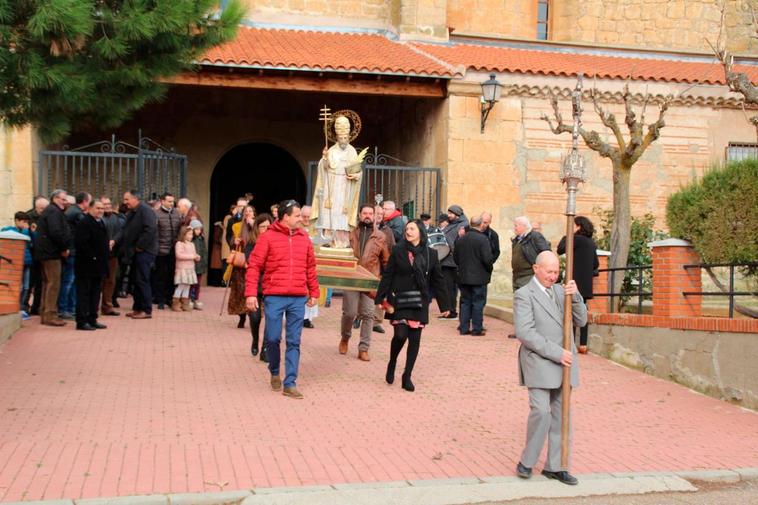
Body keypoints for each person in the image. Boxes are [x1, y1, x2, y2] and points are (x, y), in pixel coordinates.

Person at [514, 251, 586, 486]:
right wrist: (556, 352)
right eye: (549, 272)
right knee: (541, 412)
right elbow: (525, 333)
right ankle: (527, 461)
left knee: (562, 416)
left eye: (557, 272)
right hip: (540, 362)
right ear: (536, 269)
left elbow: (581, 320)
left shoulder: (561, 291)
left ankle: (556, 466)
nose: (554, 276)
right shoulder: (524, 294)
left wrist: (575, 297)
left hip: (565, 363)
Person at [245, 200, 319, 400]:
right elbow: (254, 266)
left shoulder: (304, 239)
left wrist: (314, 292)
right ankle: (275, 370)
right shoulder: (267, 237)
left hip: (297, 297)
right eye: (297, 216)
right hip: (274, 296)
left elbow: (310, 268)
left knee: (294, 341)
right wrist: (251, 293)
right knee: (272, 338)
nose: (301, 219)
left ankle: (290, 383)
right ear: (286, 217)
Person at [375, 220, 451, 392]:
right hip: (399, 299)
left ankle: (407, 375)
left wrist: (445, 305)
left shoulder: (431, 254)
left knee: (415, 340)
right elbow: (388, 275)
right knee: (401, 335)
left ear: (420, 232)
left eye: (412, 228)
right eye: (407, 228)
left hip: (420, 301)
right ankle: (392, 361)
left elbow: (438, 280)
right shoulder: (398, 251)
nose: (408, 231)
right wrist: (380, 297)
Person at [339, 204, 390, 361]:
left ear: (374, 216)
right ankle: (345, 337)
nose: (367, 216)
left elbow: (386, 259)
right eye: (365, 213)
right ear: (359, 215)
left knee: (368, 314)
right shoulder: (350, 233)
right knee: (350, 313)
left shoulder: (380, 236)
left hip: (370, 279)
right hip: (351, 278)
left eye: (370, 213)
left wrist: (385, 280)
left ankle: (364, 348)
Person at [311, 114, 364, 248]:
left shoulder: (352, 151)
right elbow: (323, 168)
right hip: (332, 186)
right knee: (329, 214)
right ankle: (328, 240)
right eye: (340, 137)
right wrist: (325, 158)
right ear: (336, 136)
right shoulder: (331, 150)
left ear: (349, 136)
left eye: (345, 137)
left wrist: (356, 176)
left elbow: (357, 170)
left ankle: (341, 242)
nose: (343, 139)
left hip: (346, 187)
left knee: (342, 215)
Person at [557, 216, 599, 355]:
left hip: (573, 282)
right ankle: (583, 344)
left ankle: (571, 343)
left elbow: (560, 249)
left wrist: (567, 235)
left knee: (571, 311)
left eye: (573, 226)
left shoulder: (575, 239)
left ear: (579, 226)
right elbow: (596, 264)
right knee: (583, 311)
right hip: (586, 283)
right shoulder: (591, 243)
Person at [508, 216, 551, 338]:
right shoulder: (517, 239)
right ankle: (520, 330)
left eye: (516, 225)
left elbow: (546, 251)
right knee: (518, 303)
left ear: (523, 226)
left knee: (527, 302)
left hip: (528, 275)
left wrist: (540, 268)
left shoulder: (534, 236)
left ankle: (530, 330)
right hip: (517, 275)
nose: (514, 228)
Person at [34, 189, 72, 326]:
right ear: (55, 198)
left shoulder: (51, 211)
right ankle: (50, 315)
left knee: (47, 283)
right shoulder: (54, 212)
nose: (65, 201)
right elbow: (56, 232)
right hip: (51, 253)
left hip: (46, 252)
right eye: (63, 199)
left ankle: (45, 312)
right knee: (53, 283)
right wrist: (63, 248)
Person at [120, 190, 158, 320]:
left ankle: (146, 309)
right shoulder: (133, 211)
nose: (125, 202)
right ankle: (137, 307)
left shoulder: (145, 210)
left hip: (144, 251)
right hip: (135, 251)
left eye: (127, 199)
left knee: (142, 279)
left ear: (135, 198)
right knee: (136, 280)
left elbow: (150, 229)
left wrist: (140, 246)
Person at [453, 215, 494, 336]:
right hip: (479, 277)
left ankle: (464, 327)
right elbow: (487, 259)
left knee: (465, 302)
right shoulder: (483, 239)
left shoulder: (461, 239)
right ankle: (477, 328)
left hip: (464, 276)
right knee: (478, 303)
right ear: (481, 224)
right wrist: (489, 269)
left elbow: (456, 258)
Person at [74, 199, 109, 331]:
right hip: (86, 265)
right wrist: (93, 256)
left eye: (102, 208)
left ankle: (92, 318)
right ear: (90, 208)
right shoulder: (84, 222)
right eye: (97, 208)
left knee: (95, 293)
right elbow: (81, 243)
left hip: (98, 265)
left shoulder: (101, 222)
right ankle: (82, 321)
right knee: (84, 293)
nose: (100, 211)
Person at [59, 192, 91, 319]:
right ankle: (64, 309)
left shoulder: (73, 211)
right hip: (73, 251)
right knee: (69, 281)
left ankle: (70, 308)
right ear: (84, 201)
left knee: (71, 281)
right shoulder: (77, 213)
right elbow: (85, 228)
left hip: (72, 250)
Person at [246, 214, 273, 360]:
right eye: (262, 227)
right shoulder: (252, 242)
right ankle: (255, 339)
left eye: (268, 227)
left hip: (270, 284)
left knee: (271, 317)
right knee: (255, 317)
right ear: (257, 228)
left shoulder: (275, 241)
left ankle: (265, 349)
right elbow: (251, 262)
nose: (265, 229)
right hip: (256, 284)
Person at [226, 205, 256, 328]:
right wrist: (235, 241)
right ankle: (241, 316)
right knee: (239, 290)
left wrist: (252, 225)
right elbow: (231, 241)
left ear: (254, 213)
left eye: (250, 211)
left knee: (250, 289)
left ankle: (251, 315)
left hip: (252, 260)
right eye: (246, 211)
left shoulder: (257, 226)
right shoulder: (237, 226)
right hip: (240, 262)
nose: (248, 213)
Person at [439, 204, 468, 320]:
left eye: (451, 213)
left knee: (453, 288)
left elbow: (459, 242)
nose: (449, 215)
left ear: (457, 214)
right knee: (447, 287)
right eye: (449, 213)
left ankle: (453, 312)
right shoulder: (451, 224)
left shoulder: (464, 225)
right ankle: (449, 310)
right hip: (446, 260)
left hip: (454, 261)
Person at [2, 212, 33, 319]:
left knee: (26, 286)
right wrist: (25, 230)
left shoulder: (28, 231)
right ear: (16, 220)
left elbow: (31, 243)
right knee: (17, 286)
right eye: (23, 221)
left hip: (27, 262)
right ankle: (16, 306)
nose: (25, 224)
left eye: (26, 222)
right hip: (15, 263)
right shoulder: (9, 230)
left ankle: (23, 306)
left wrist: (31, 231)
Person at [153, 193, 181, 310]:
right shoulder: (156, 214)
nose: (171, 204)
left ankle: (169, 298)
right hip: (161, 250)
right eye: (169, 201)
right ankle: (160, 299)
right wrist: (156, 247)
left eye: (172, 201)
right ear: (162, 201)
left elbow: (180, 228)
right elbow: (154, 232)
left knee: (171, 275)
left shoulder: (176, 213)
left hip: (173, 249)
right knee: (160, 275)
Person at [100, 196, 124, 316]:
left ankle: (107, 306)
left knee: (111, 281)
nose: (107, 206)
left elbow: (121, 232)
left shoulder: (116, 218)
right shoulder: (98, 218)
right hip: (99, 254)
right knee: (99, 281)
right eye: (104, 204)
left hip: (113, 254)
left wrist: (114, 240)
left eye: (108, 204)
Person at [25, 196, 49, 316]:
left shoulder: (48, 216)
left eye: (45, 208)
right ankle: (25, 305)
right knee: (29, 282)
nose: (43, 211)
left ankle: (36, 307)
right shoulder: (29, 216)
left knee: (40, 282)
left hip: (43, 254)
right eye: (41, 208)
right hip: (32, 253)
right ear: (36, 207)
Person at [172, 225, 200, 311]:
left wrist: (197, 257)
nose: (191, 236)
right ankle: (175, 303)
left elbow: (194, 254)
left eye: (192, 234)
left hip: (190, 269)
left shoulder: (192, 244)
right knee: (181, 286)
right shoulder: (179, 244)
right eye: (189, 234)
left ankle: (185, 303)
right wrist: (192, 256)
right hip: (182, 269)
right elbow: (179, 255)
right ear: (183, 234)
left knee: (187, 286)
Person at [300, 205, 318, 329]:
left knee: (311, 291)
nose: (306, 219)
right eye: (304, 216)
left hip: (312, 264)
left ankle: (307, 318)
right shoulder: (296, 227)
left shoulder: (316, 228)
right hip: (300, 264)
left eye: (308, 217)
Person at [189, 219, 208, 310]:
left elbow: (204, 252)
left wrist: (204, 263)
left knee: (197, 284)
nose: (198, 231)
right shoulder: (190, 239)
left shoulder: (202, 239)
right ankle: (189, 299)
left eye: (199, 229)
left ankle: (195, 299)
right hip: (192, 266)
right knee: (191, 283)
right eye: (196, 229)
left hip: (200, 265)